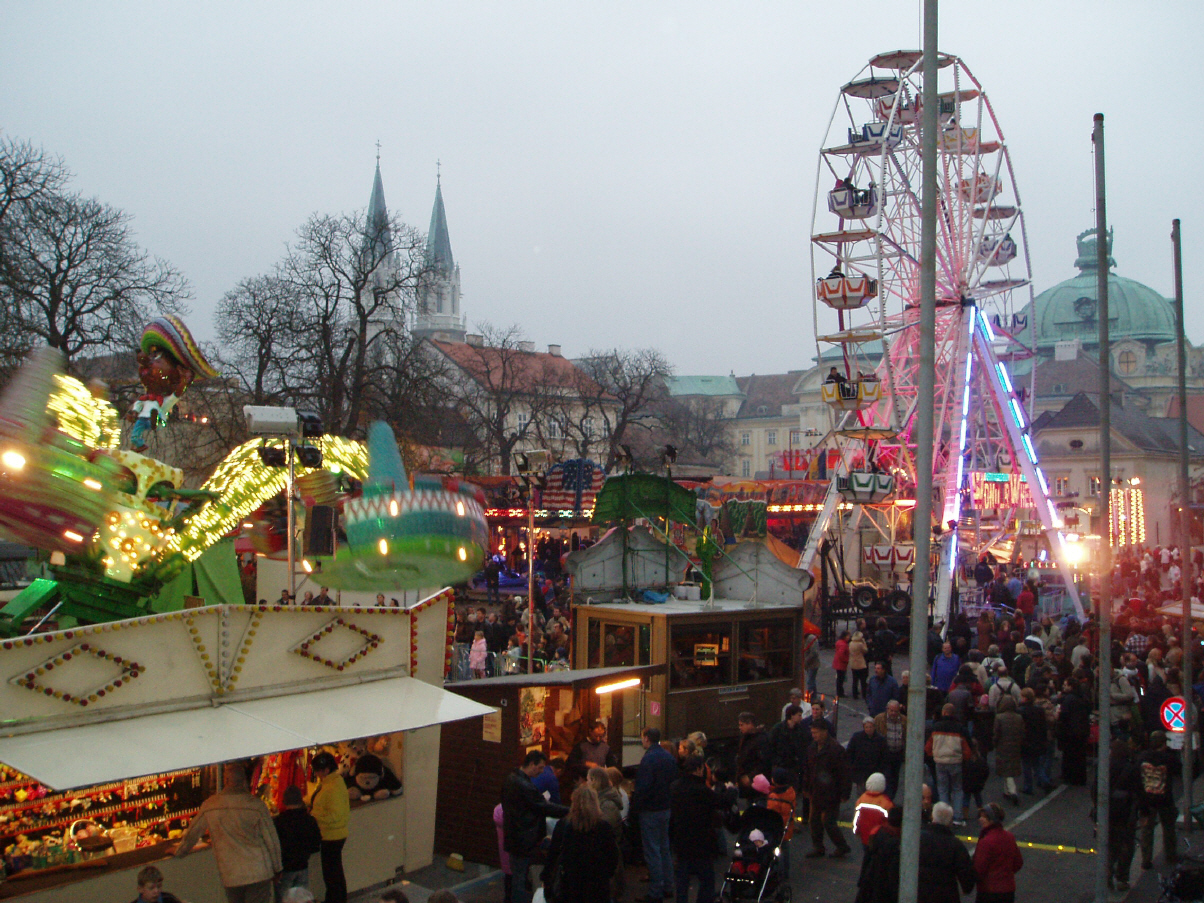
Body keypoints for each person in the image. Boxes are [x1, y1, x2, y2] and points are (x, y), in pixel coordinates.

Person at [174, 761, 282, 903]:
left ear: (225, 780)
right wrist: (278, 868)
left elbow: (192, 833)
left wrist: (179, 852)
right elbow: (272, 839)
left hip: (231, 875)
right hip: (259, 871)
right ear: (244, 781)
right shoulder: (256, 805)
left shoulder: (210, 805)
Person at [502, 751, 569, 903]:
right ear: (531, 765)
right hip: (523, 838)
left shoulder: (511, 779)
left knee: (517, 877)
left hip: (514, 837)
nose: (541, 771)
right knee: (520, 878)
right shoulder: (524, 785)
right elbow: (543, 806)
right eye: (539, 767)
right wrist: (571, 811)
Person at [542, 785, 618, 903]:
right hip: (598, 882)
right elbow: (613, 856)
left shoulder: (564, 825)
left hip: (570, 882)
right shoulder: (603, 827)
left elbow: (554, 853)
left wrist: (546, 877)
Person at [670, 754, 728, 903]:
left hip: (681, 838)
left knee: (682, 878)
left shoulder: (675, 786)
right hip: (701, 839)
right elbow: (720, 802)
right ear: (698, 769)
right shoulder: (702, 790)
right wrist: (731, 791)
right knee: (707, 878)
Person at [632, 727, 678, 902]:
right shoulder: (668, 757)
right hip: (665, 807)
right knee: (664, 848)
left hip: (650, 809)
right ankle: (668, 886)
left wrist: (636, 808)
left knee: (652, 851)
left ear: (646, 738)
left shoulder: (648, 759)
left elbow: (643, 787)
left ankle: (655, 891)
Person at [802, 718, 852, 858]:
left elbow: (845, 773)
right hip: (816, 792)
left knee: (828, 822)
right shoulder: (812, 748)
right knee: (815, 821)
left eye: (816, 732)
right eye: (812, 732)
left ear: (825, 732)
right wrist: (806, 787)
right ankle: (818, 847)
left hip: (831, 793)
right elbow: (807, 769)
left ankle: (842, 846)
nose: (814, 735)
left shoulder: (836, 750)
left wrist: (844, 793)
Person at [309, 751, 350, 903]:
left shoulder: (333, 786)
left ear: (326, 770)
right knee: (335, 876)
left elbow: (335, 815)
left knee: (332, 877)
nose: (317, 774)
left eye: (318, 771)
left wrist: (314, 815)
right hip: (333, 835)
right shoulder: (332, 783)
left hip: (332, 836)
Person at [1137, 730, 1181, 869]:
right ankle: (1170, 855)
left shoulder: (1142, 757)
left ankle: (1146, 859)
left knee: (1146, 830)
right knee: (1168, 828)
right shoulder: (1168, 758)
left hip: (1147, 799)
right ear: (1164, 743)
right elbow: (1178, 770)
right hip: (1165, 799)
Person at [925, 704, 973, 826]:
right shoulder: (960, 728)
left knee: (943, 789)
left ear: (943, 712)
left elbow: (928, 747)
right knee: (957, 789)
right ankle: (957, 817)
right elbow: (968, 748)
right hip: (955, 762)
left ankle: (943, 817)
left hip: (940, 761)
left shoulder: (935, 727)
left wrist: (934, 755)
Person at [918, 803, 976, 903]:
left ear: (932, 816)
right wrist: (967, 888)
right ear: (949, 821)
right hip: (945, 895)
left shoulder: (919, 838)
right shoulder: (955, 844)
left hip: (920, 893)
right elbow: (965, 871)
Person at [273, 785, 322, 900]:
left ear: (284, 802)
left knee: (284, 898)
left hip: (285, 868)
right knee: (302, 898)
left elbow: (275, 846)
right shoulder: (309, 819)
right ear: (300, 801)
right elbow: (316, 844)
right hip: (303, 865)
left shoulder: (279, 822)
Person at [972, 802, 1023, 903]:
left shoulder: (986, 841)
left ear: (992, 820)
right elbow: (1018, 862)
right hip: (1008, 891)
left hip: (988, 891)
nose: (980, 819)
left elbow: (979, 869)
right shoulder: (1009, 837)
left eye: (984, 817)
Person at [855, 805, 902, 903]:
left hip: (869, 884)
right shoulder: (894, 844)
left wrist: (862, 880)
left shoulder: (877, 833)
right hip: (881, 888)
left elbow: (867, 859)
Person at [992, 697, 1025, 806]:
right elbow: (1022, 732)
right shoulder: (1018, 717)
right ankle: (1007, 790)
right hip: (1015, 745)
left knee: (1005, 768)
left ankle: (1012, 791)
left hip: (1003, 745)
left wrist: (994, 743)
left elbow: (996, 733)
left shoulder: (999, 717)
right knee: (1011, 767)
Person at [873, 700, 907, 798]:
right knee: (887, 777)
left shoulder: (904, 720)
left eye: (896, 711)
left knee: (895, 777)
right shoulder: (879, 719)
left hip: (898, 753)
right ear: (887, 709)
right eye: (891, 711)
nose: (893, 713)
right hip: (885, 754)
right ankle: (887, 798)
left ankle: (891, 798)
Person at [846, 717, 888, 794]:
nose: (868, 729)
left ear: (874, 727)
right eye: (866, 727)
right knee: (861, 793)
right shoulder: (857, 738)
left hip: (874, 772)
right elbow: (850, 753)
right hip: (860, 773)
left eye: (870, 727)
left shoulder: (880, 740)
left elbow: (884, 757)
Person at [853, 772, 893, 848]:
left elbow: (857, 818)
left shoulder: (861, 799)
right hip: (879, 837)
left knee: (866, 853)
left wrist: (857, 831)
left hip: (865, 835)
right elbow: (889, 823)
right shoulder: (887, 803)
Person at [734, 712, 769, 793]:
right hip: (748, 782)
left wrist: (750, 777)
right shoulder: (745, 738)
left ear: (750, 724)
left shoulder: (761, 739)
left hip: (758, 784)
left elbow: (764, 762)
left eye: (741, 725)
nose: (740, 727)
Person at [849, 631, 870, 700]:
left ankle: (854, 694)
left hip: (853, 663)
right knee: (863, 680)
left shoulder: (851, 643)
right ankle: (864, 694)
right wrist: (864, 643)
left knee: (855, 680)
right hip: (860, 663)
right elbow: (865, 650)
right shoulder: (860, 644)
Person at [803, 629, 822, 696]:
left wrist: (806, 660)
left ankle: (811, 697)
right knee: (812, 681)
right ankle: (814, 695)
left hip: (813, 664)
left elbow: (814, 652)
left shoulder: (811, 638)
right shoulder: (804, 639)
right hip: (809, 664)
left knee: (810, 681)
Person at [833, 630, 851, 697]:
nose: (849, 637)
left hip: (837, 663)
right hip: (841, 664)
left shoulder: (839, 643)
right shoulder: (843, 644)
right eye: (848, 636)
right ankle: (840, 692)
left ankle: (839, 691)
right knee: (841, 679)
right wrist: (846, 660)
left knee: (839, 678)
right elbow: (841, 654)